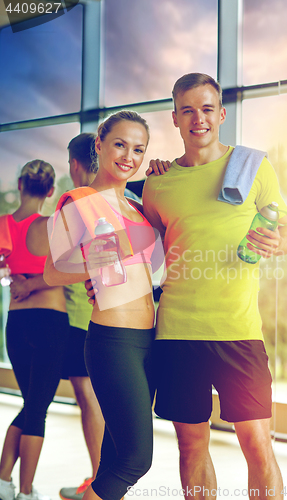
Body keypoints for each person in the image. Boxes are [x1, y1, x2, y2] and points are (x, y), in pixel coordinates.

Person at [142, 73, 287, 500]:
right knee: (192, 445)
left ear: (221, 114)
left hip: (239, 330)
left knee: (258, 445)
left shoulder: (252, 166)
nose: (199, 119)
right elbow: (148, 251)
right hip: (177, 331)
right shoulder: (158, 183)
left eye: (207, 109)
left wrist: (275, 242)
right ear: (174, 118)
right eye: (187, 110)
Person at [44, 111, 159, 500]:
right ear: (100, 145)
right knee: (135, 460)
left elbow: (150, 268)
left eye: (139, 149)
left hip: (149, 339)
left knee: (113, 463)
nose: (130, 156)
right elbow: (54, 271)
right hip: (114, 341)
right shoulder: (78, 201)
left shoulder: (134, 206)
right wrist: (102, 259)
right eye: (120, 144)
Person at [0, 160, 69, 500]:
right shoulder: (54, 224)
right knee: (37, 407)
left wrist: (12, 276)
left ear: (20, 184)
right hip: (51, 321)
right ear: (51, 191)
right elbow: (73, 271)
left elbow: (2, 271)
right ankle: (26, 491)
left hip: (16, 324)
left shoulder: (2, 224)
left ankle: (3, 481)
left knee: (31, 402)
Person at [59, 133, 105, 500]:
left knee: (87, 398)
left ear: (74, 164)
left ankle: (99, 481)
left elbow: (57, 264)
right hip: (118, 318)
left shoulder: (75, 203)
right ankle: (104, 481)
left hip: (80, 316)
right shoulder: (118, 199)